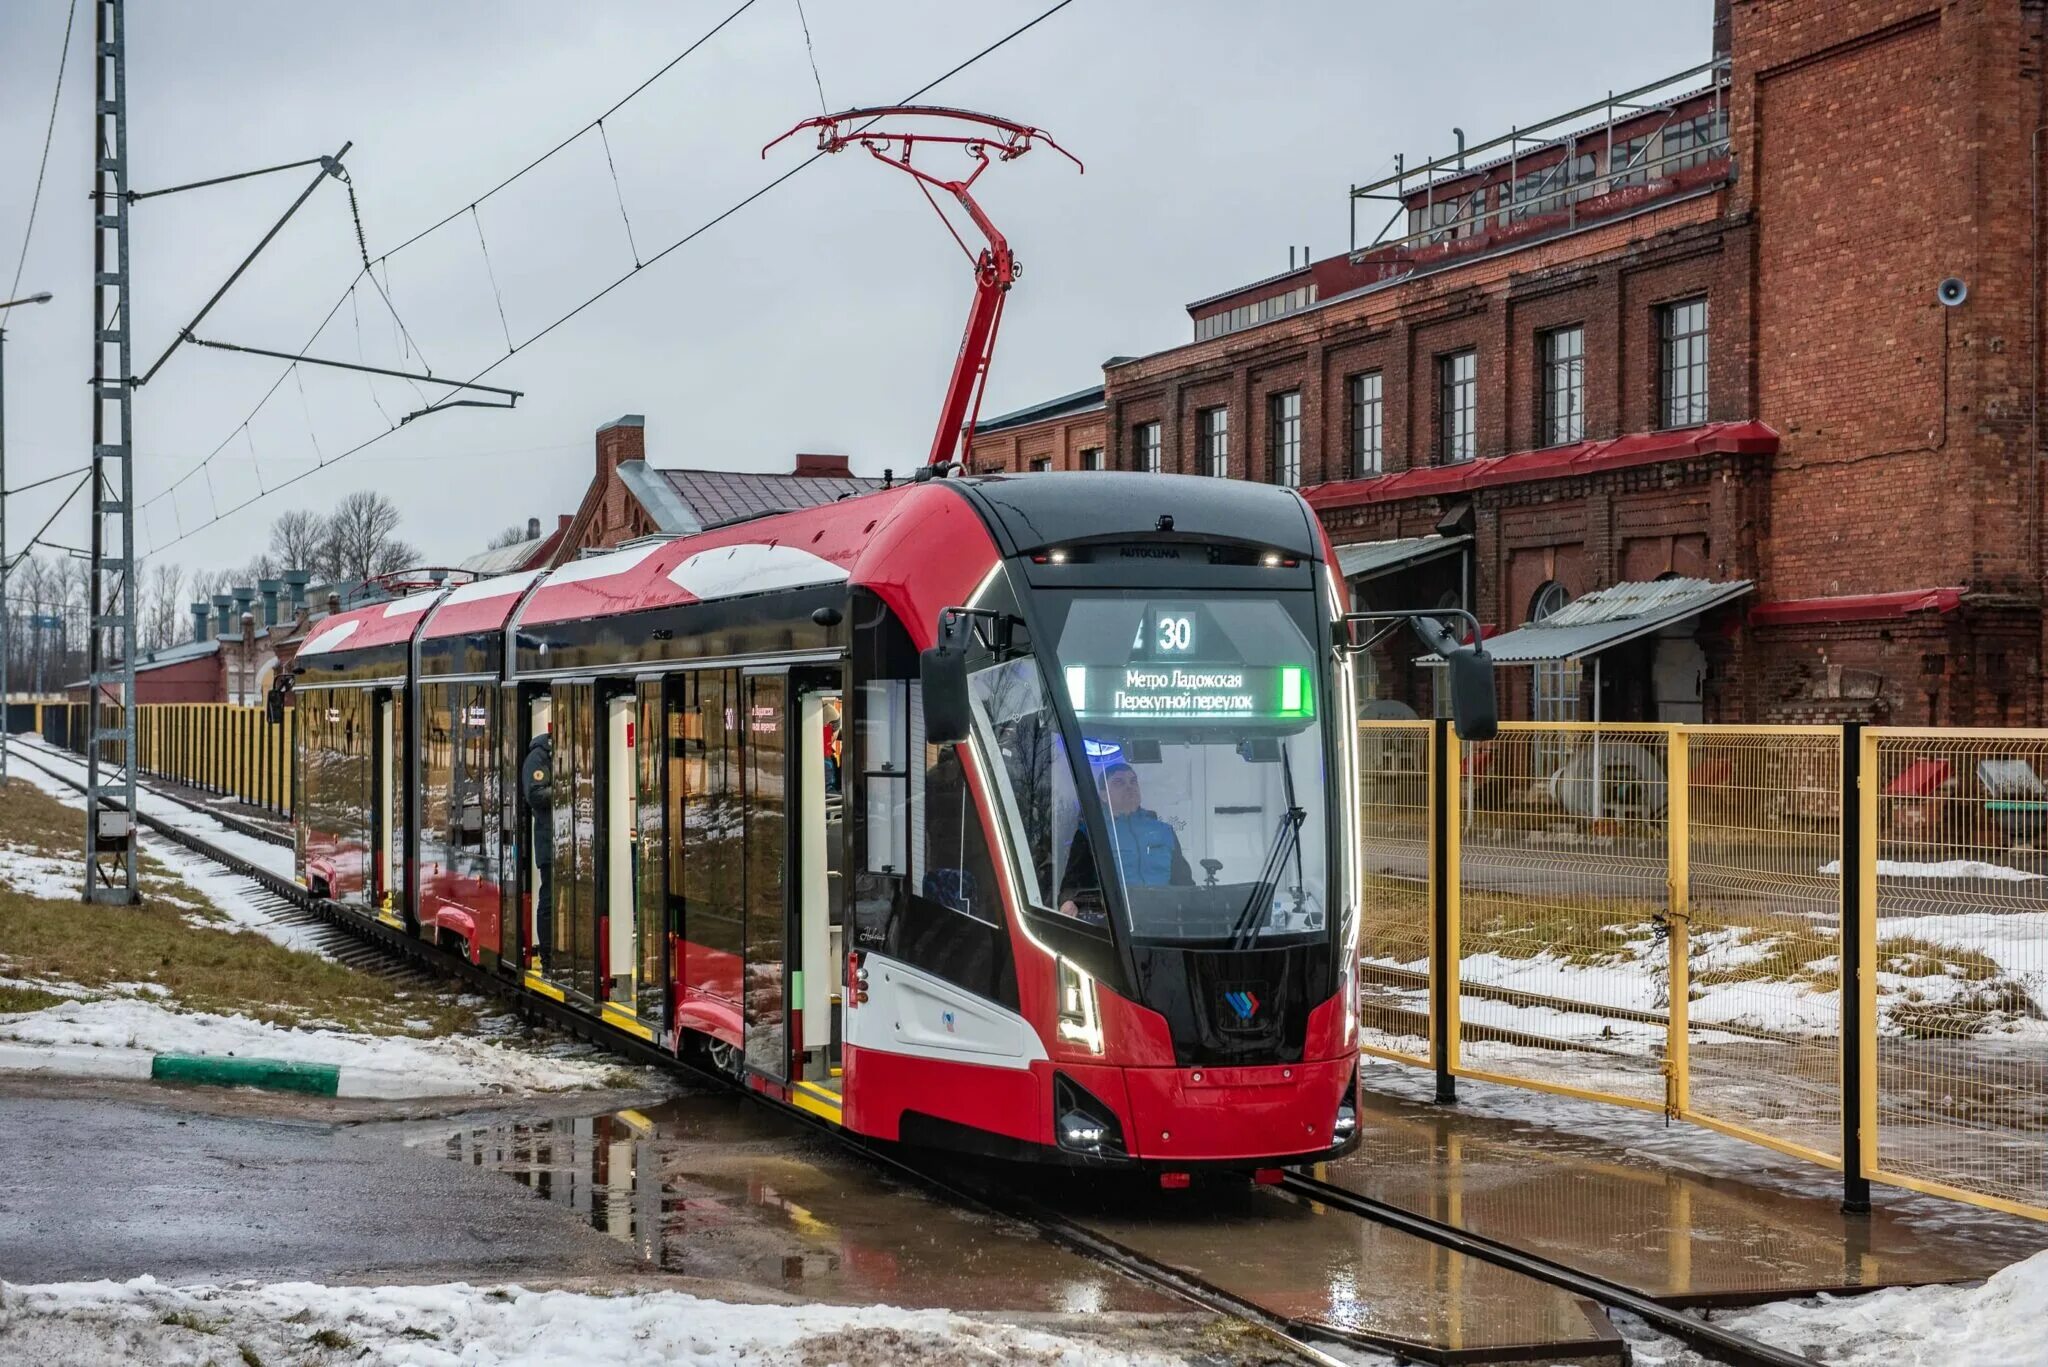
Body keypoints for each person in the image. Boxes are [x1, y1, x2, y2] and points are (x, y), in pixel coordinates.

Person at [1059, 761, 1192, 919]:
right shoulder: (1092, 833)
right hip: (1116, 926)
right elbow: (1073, 883)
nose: (1129, 787)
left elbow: (1184, 882)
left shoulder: (1163, 831)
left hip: (1167, 923)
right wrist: (1067, 902)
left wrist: (1193, 906)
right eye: (1119, 783)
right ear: (1103, 795)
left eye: (1133, 781)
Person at [522, 729, 554, 974]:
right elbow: (534, 794)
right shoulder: (538, 757)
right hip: (547, 840)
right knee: (549, 899)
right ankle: (547, 957)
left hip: (562, 840)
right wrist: (564, 789)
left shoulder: (555, 755)